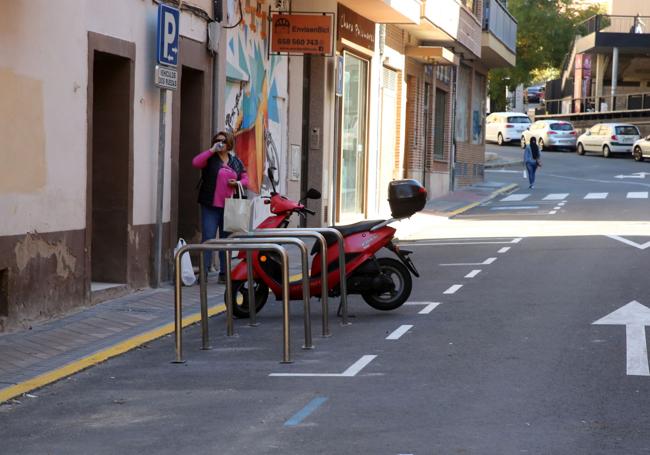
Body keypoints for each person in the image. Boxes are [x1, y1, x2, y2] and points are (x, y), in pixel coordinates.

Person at [192, 131, 249, 283]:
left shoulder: (235, 161)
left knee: (225, 241)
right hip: (210, 206)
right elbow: (196, 163)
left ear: (229, 143)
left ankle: (224, 274)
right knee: (208, 239)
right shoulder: (210, 158)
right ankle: (203, 274)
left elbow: (245, 179)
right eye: (217, 140)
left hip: (229, 208)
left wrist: (237, 183)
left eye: (223, 141)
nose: (220, 143)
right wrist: (212, 150)